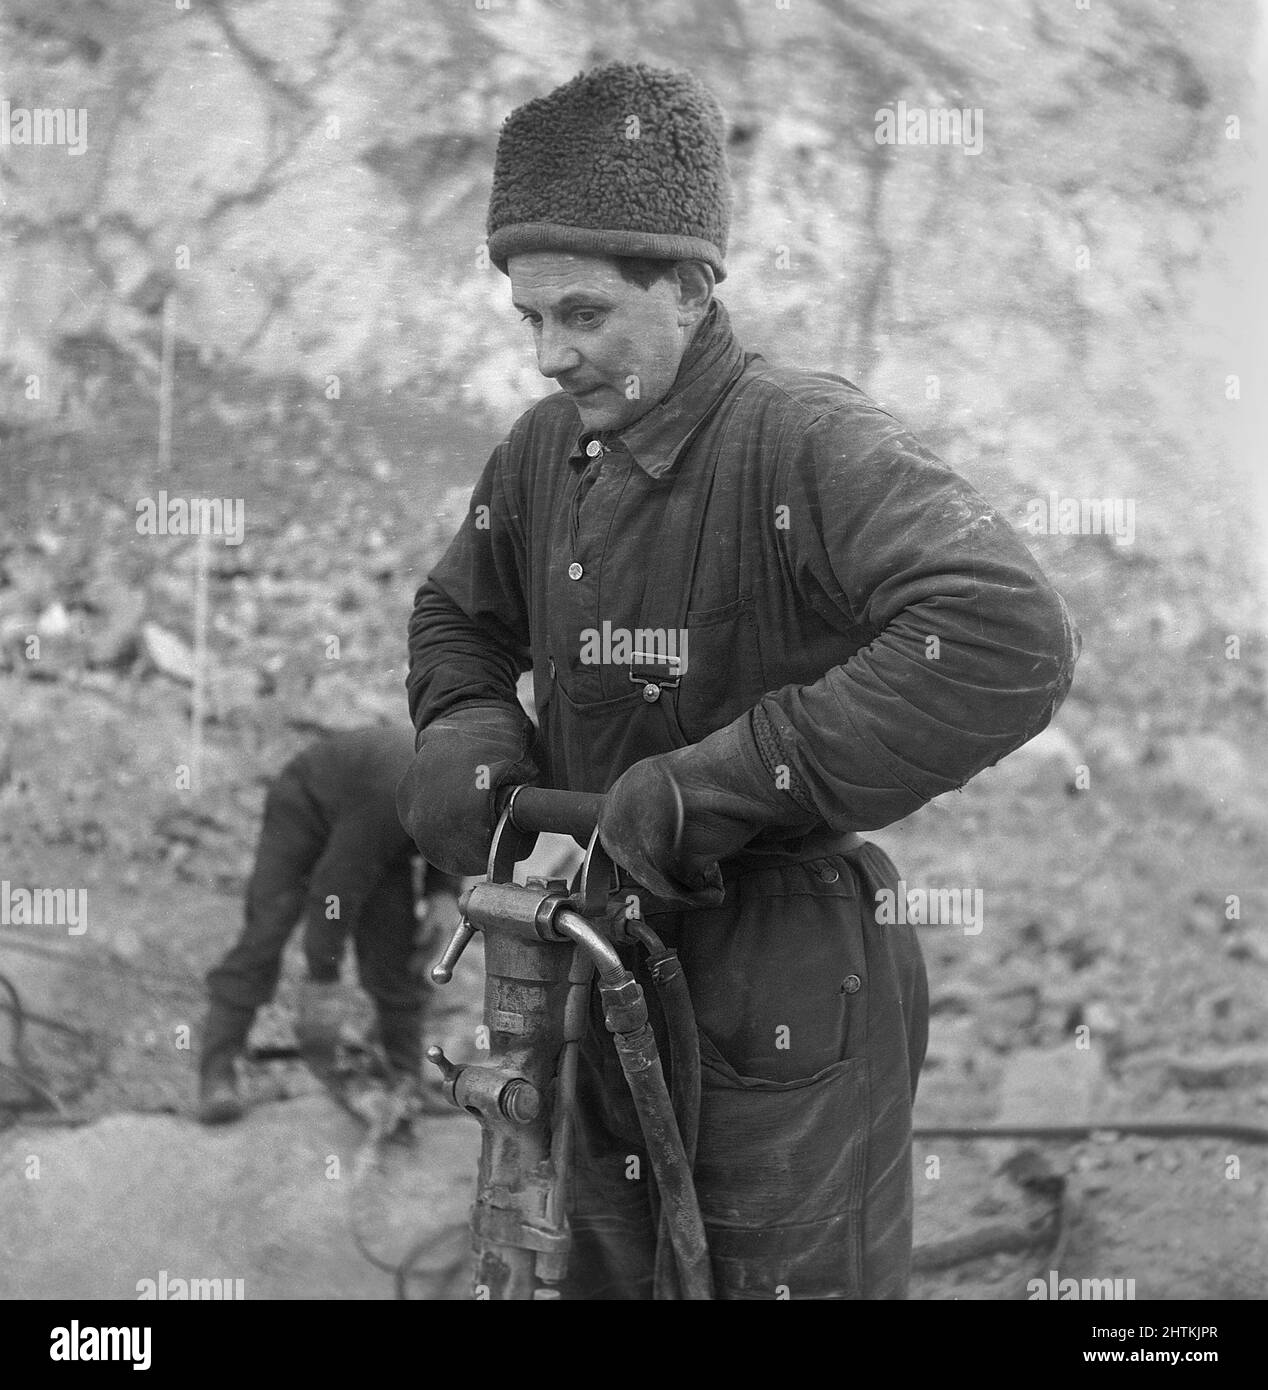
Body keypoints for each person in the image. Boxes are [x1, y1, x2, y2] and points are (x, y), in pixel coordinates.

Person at [397, 61, 1080, 1299]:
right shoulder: (548, 450)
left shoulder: (801, 437)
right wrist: (464, 721)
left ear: (691, 287)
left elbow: (1002, 633)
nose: (549, 355)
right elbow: (459, 611)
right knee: (602, 1268)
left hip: (785, 978)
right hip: (594, 945)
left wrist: (721, 781)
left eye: (586, 314)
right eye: (530, 319)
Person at [198, 725, 462, 1124]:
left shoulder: (473, 785)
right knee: (265, 935)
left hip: (383, 834)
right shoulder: (392, 791)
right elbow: (334, 891)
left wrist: (443, 891)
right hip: (306, 807)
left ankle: (405, 1077)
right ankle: (217, 1074)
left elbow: (453, 837)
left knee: (398, 947)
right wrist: (323, 979)